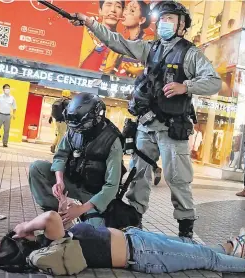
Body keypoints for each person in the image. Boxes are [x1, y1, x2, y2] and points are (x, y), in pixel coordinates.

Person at [70, 0, 222, 237]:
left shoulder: (190, 53)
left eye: (170, 19)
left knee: (177, 179)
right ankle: (133, 223)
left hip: (172, 130)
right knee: (138, 176)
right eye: (162, 19)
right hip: (146, 125)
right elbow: (117, 42)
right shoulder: (150, 48)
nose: (164, 23)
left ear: (182, 25)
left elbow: (214, 81)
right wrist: (90, 22)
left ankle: (185, 231)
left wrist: (186, 86)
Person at [0, 210, 245, 275]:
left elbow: (64, 220)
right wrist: (24, 226)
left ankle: (229, 249)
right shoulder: (47, 246)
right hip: (145, 253)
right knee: (205, 260)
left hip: (137, 239)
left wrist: (71, 209)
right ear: (24, 242)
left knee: (198, 250)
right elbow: (50, 217)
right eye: (23, 236)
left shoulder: (57, 241)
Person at [29, 92, 124, 228]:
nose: (77, 131)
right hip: (73, 182)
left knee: (94, 234)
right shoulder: (75, 129)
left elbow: (112, 186)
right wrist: (59, 180)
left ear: (97, 118)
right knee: (36, 167)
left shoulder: (113, 141)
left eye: (81, 127)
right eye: (74, 128)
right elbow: (61, 155)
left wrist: (80, 210)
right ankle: (55, 214)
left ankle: (87, 216)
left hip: (94, 193)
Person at [79, 0, 124, 74]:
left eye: (118, 6)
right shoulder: (85, 30)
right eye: (109, 4)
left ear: (122, 14)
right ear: (100, 10)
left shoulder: (121, 46)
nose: (113, 10)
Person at [116, 0, 153, 78]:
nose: (125, 13)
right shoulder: (126, 41)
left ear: (142, 20)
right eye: (125, 9)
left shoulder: (148, 41)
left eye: (132, 10)